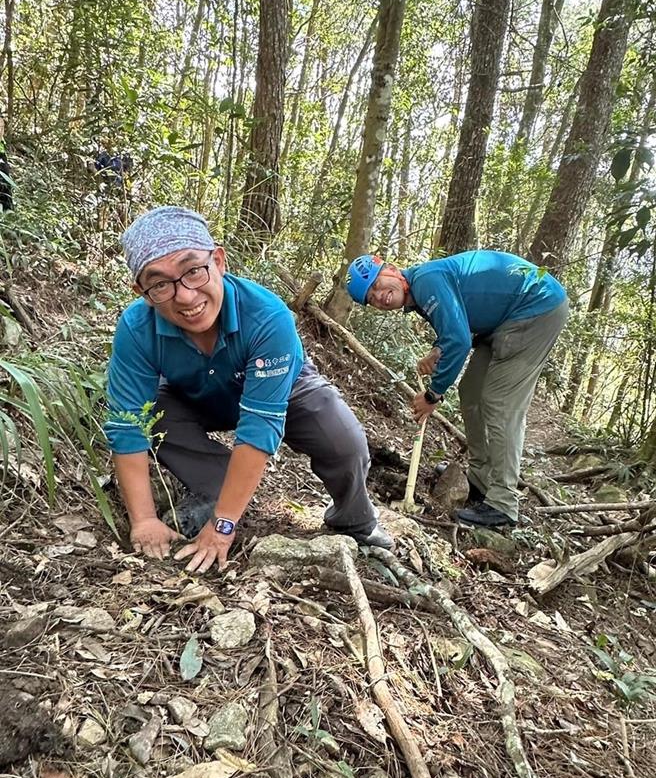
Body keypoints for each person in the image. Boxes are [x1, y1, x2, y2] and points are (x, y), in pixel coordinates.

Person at [104, 206, 392, 573]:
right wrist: (143, 520)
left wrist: (221, 528)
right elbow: (128, 423)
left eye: (194, 271)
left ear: (219, 261)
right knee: (155, 414)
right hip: (192, 393)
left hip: (281, 387)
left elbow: (259, 426)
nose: (186, 297)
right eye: (160, 284)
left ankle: (356, 519)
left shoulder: (267, 316)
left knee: (342, 438)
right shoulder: (136, 328)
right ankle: (224, 487)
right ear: (143, 293)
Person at [345, 250, 568, 529]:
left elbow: (460, 341)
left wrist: (432, 395)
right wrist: (439, 350)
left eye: (377, 285)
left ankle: (503, 503)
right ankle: (480, 478)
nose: (380, 297)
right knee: (471, 393)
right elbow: (458, 325)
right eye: (371, 298)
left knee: (500, 403)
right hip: (503, 320)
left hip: (536, 307)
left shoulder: (426, 280)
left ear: (392, 270)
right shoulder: (421, 292)